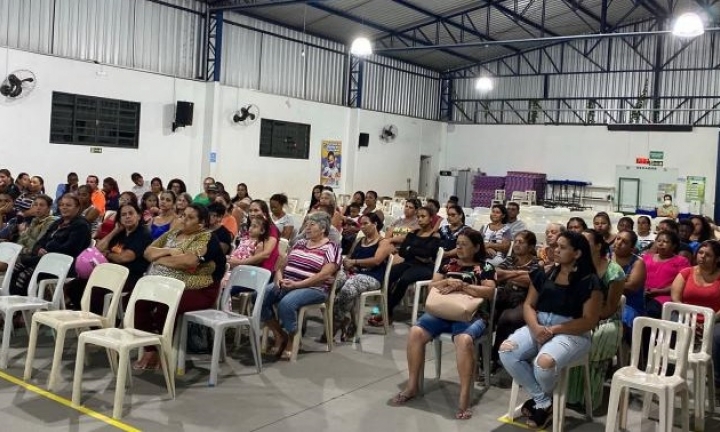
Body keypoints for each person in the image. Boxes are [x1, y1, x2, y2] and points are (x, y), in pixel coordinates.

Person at [498, 231, 602, 429]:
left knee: (543, 363)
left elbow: (589, 321)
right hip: (539, 324)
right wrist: (536, 327)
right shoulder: (544, 272)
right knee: (507, 350)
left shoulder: (589, 281)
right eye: (556, 246)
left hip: (573, 332)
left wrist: (553, 329)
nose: (556, 250)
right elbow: (529, 305)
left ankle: (539, 404)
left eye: (562, 247)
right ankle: (544, 402)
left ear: (577, 253)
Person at [391, 229, 496, 420]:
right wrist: (448, 280)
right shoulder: (448, 264)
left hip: (471, 315)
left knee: (464, 341)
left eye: (464, 244)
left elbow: (489, 292)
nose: (459, 247)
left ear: (476, 247)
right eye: (458, 244)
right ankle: (413, 385)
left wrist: (464, 285)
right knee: (415, 332)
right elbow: (432, 286)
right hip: (443, 312)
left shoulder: (485, 267)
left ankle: (465, 396)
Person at [135, 203, 226, 370]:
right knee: (139, 303)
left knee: (165, 305)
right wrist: (169, 252)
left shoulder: (206, 238)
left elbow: (188, 261)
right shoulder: (174, 232)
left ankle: (165, 351)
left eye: (190, 218)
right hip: (168, 285)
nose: (184, 220)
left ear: (201, 224)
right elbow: (148, 252)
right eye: (183, 215)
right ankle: (150, 348)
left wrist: (159, 258)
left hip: (200, 289)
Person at [261, 211, 340, 361]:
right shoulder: (300, 243)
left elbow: (324, 275)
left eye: (312, 225)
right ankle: (280, 335)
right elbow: (280, 266)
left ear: (323, 229)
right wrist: (278, 278)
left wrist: (297, 284)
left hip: (314, 288)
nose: (307, 228)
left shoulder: (332, 247)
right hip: (288, 283)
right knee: (259, 298)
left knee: (287, 303)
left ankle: (292, 339)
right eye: (306, 224)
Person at [567, 229, 625, 412]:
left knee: (597, 335)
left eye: (586, 241)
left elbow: (610, 307)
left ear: (599, 246)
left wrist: (589, 319)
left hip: (606, 320)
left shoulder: (614, 271)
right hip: (580, 315)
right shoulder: (576, 266)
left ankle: (589, 398)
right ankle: (568, 394)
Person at [66, 202, 152, 312]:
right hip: (110, 272)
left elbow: (125, 257)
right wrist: (114, 231)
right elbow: (98, 249)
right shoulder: (120, 233)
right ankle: (83, 313)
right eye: (123, 214)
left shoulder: (143, 234)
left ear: (139, 216)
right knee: (75, 285)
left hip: (128, 276)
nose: (127, 216)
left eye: (131, 213)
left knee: (96, 290)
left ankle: (99, 322)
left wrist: (107, 254)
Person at [10, 194, 91, 296]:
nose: (64, 207)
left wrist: (49, 247)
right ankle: (13, 299)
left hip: (64, 264)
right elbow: (39, 242)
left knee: (25, 273)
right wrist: (38, 249)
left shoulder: (81, 225)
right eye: (62, 205)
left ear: (77, 207)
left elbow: (70, 250)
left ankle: (24, 305)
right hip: (46, 259)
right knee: (16, 267)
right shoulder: (58, 222)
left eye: (68, 205)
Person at [372, 206, 440, 326]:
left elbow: (428, 254)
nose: (420, 219)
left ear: (430, 219)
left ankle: (386, 312)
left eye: (423, 216)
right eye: (418, 217)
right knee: (388, 276)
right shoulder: (413, 233)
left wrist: (411, 249)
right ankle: (388, 312)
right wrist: (416, 251)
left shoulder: (435, 236)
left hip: (425, 266)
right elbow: (403, 252)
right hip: (408, 262)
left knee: (404, 280)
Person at [332, 213, 392, 340]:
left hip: (373, 276)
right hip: (354, 273)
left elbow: (376, 260)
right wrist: (347, 263)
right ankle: (348, 321)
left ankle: (337, 323)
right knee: (334, 281)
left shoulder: (384, 242)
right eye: (361, 224)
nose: (363, 227)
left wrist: (354, 262)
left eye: (366, 224)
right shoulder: (359, 241)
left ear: (375, 224)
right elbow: (348, 257)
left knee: (349, 287)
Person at [669, 240, 720, 391]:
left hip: (715, 319)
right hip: (685, 317)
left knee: (718, 337)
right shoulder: (686, 272)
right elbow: (675, 298)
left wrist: (710, 320)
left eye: (708, 255)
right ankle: (667, 369)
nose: (702, 257)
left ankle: (717, 380)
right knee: (670, 323)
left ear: (717, 259)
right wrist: (688, 318)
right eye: (700, 253)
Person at [492, 230, 541, 372]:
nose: (516, 245)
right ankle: (485, 356)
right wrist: (519, 273)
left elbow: (530, 282)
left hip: (524, 300)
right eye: (516, 242)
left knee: (507, 318)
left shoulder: (537, 263)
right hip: (505, 295)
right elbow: (496, 274)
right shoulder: (510, 259)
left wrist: (507, 276)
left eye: (521, 242)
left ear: (531, 247)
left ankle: (496, 357)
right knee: (486, 314)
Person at [0, 195, 57, 270]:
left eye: (42, 205)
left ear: (49, 208)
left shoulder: (51, 222)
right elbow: (20, 241)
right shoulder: (35, 220)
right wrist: (23, 239)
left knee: (1, 264)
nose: (38, 207)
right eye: (35, 204)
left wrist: (23, 235)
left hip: (31, 257)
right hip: (21, 252)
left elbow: (37, 244)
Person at [643, 230, 691, 318]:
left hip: (665, 297)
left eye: (665, 242)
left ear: (674, 246)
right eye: (659, 241)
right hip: (643, 294)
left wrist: (658, 291)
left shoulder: (681, 261)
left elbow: (682, 284)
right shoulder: (646, 258)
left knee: (651, 311)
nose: (661, 244)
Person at [612, 230, 647, 342]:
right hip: (607, 302)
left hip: (630, 305)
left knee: (623, 321)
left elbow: (632, 286)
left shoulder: (637, 262)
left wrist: (607, 283)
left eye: (624, 242)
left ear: (632, 248)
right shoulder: (606, 257)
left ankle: (624, 353)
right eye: (618, 239)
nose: (619, 243)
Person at [225, 217, 270, 294]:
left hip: (243, 275)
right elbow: (235, 253)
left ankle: (224, 304)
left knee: (226, 288)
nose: (251, 228)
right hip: (230, 269)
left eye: (254, 227)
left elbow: (254, 264)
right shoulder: (244, 240)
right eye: (251, 226)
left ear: (262, 231)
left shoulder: (259, 245)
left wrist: (238, 263)